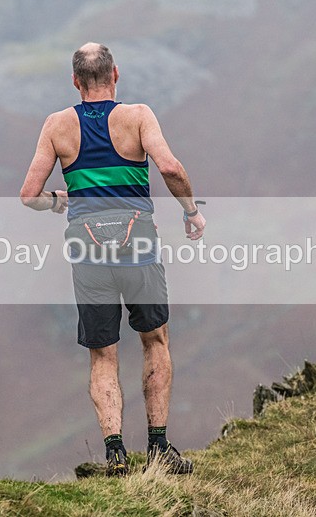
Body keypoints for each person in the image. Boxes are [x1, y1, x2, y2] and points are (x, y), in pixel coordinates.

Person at [20, 42, 206, 476]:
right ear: (115, 74)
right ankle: (158, 448)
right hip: (137, 242)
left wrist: (58, 200)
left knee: (103, 353)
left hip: (87, 249)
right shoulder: (138, 117)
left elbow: (29, 195)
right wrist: (191, 212)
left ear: (75, 81)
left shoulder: (57, 126)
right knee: (154, 340)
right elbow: (171, 168)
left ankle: (115, 454)